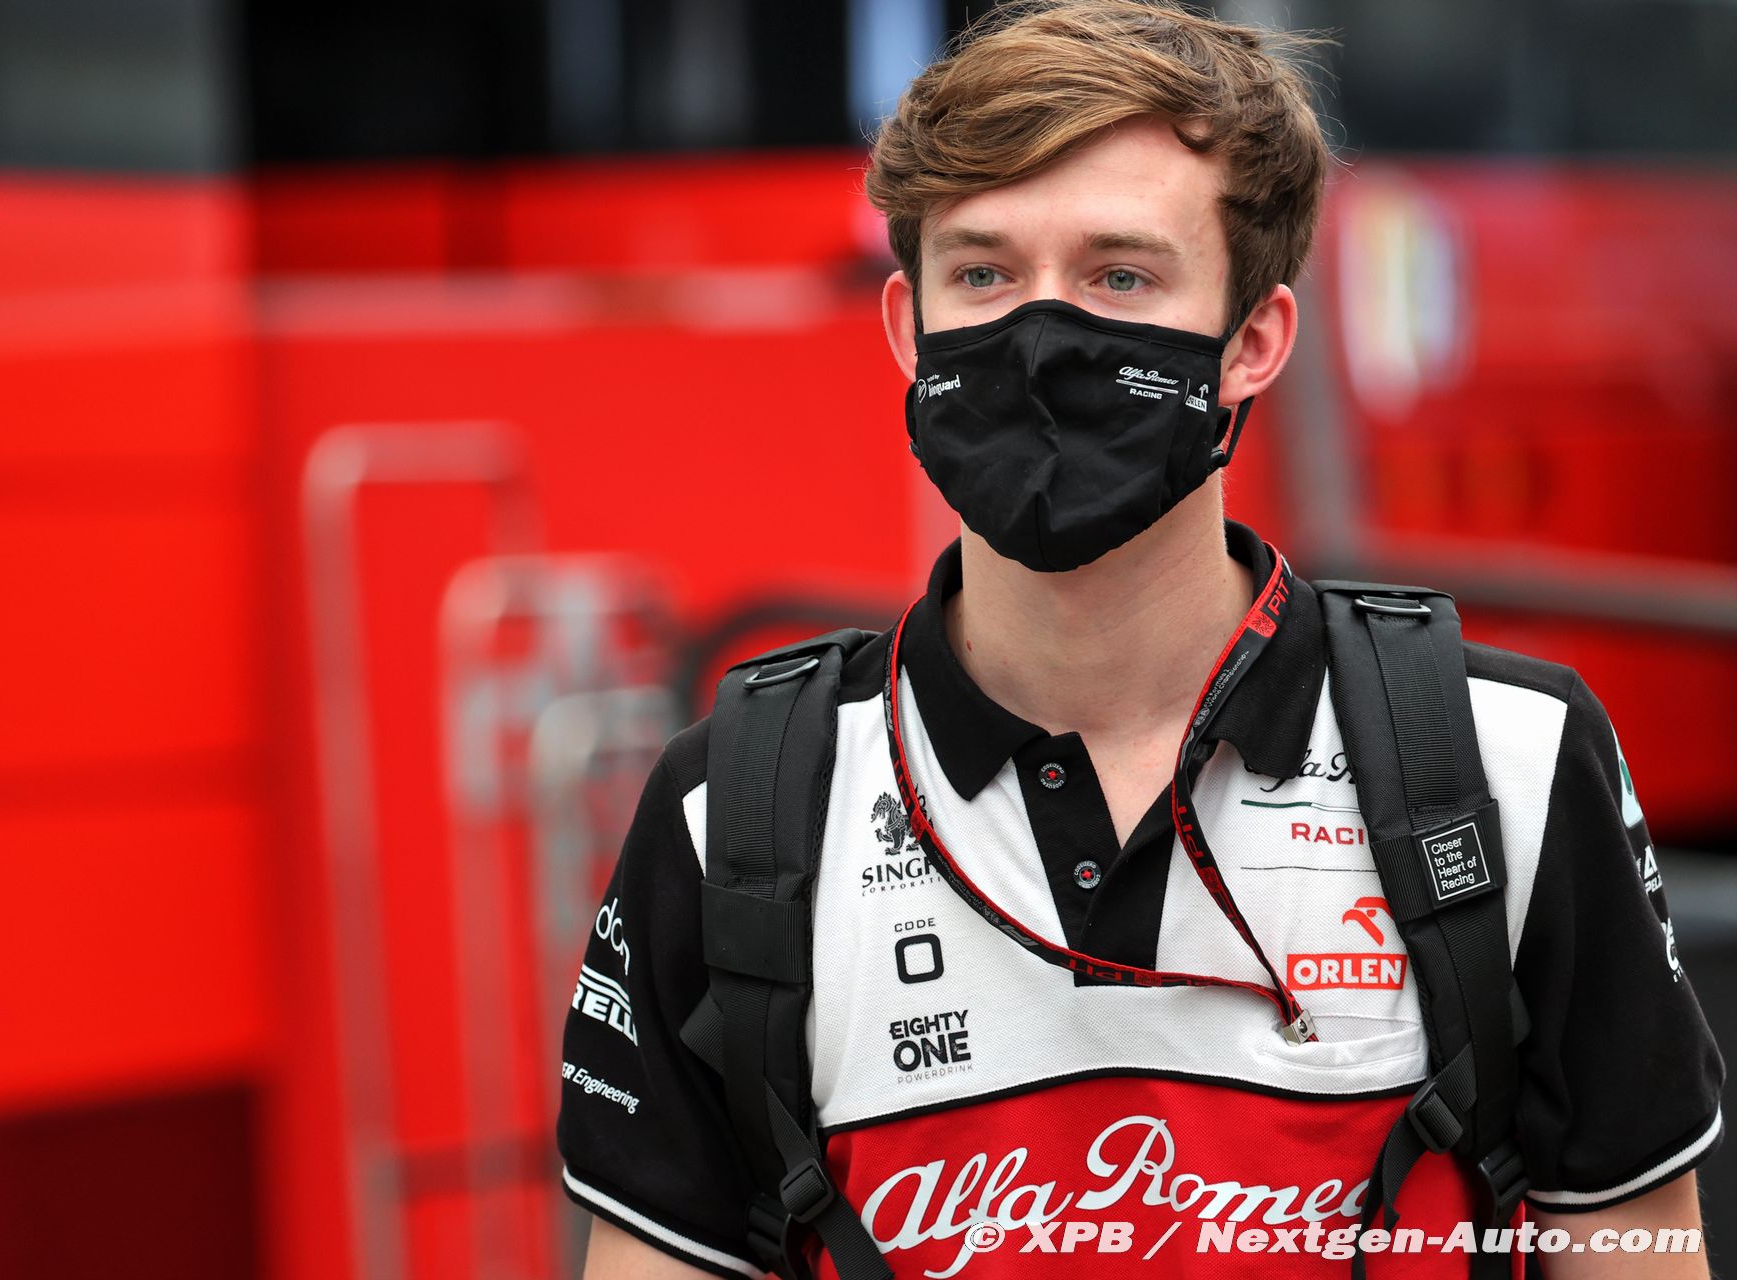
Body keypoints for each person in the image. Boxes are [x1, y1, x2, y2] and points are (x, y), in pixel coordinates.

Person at [555, 2, 1725, 1276]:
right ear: (906, 330)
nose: (1041, 341)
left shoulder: (1510, 765)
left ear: (1254, 342)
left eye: (1120, 276)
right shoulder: (735, 810)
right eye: (984, 275)